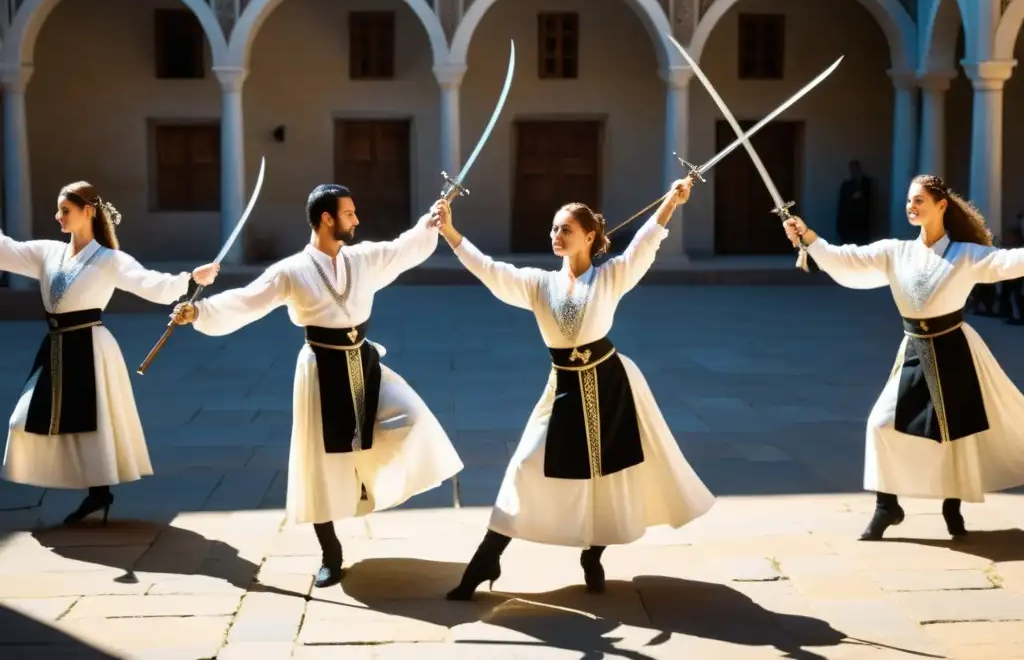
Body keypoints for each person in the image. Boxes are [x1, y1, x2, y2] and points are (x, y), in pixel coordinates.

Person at [170, 184, 463, 588]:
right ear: (327, 219)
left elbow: (403, 248)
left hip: (363, 359)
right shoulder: (291, 270)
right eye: (349, 213)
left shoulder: (362, 258)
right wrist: (199, 311)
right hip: (320, 368)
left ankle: (372, 486)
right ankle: (330, 551)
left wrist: (431, 223)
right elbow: (247, 300)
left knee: (410, 419)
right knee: (320, 462)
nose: (357, 220)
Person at [436, 178, 715, 601]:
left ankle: (593, 554)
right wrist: (451, 234)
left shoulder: (612, 276)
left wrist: (671, 202)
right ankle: (487, 557)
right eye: (553, 229)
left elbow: (644, 244)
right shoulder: (537, 284)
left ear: (589, 236)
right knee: (525, 466)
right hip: (562, 387)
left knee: (606, 475)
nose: (556, 236)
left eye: (565, 229)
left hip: (611, 384)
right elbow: (492, 272)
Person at [783, 174, 1024, 541]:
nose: (911, 207)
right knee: (880, 424)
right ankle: (887, 506)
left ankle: (952, 505)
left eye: (920, 201)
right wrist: (810, 238)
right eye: (909, 201)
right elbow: (847, 259)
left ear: (942, 205)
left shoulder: (965, 254)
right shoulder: (896, 252)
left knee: (955, 436)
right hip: (914, 349)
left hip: (954, 349)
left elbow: (1007, 263)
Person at [0, 181, 219, 525]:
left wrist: (191, 278)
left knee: (94, 424)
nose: (58, 216)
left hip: (90, 345)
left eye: (65, 211)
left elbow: (152, 283)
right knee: (22, 420)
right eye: (58, 210)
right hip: (56, 345)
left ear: (88, 212)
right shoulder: (47, 252)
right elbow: (5, 250)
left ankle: (98, 494)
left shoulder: (109, 259)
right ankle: (93, 491)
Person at [837, 160, 872, 245]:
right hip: (849, 222)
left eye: (855, 168)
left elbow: (869, 202)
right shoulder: (846, 185)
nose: (854, 171)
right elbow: (842, 205)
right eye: (852, 169)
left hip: (863, 222)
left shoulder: (866, 184)